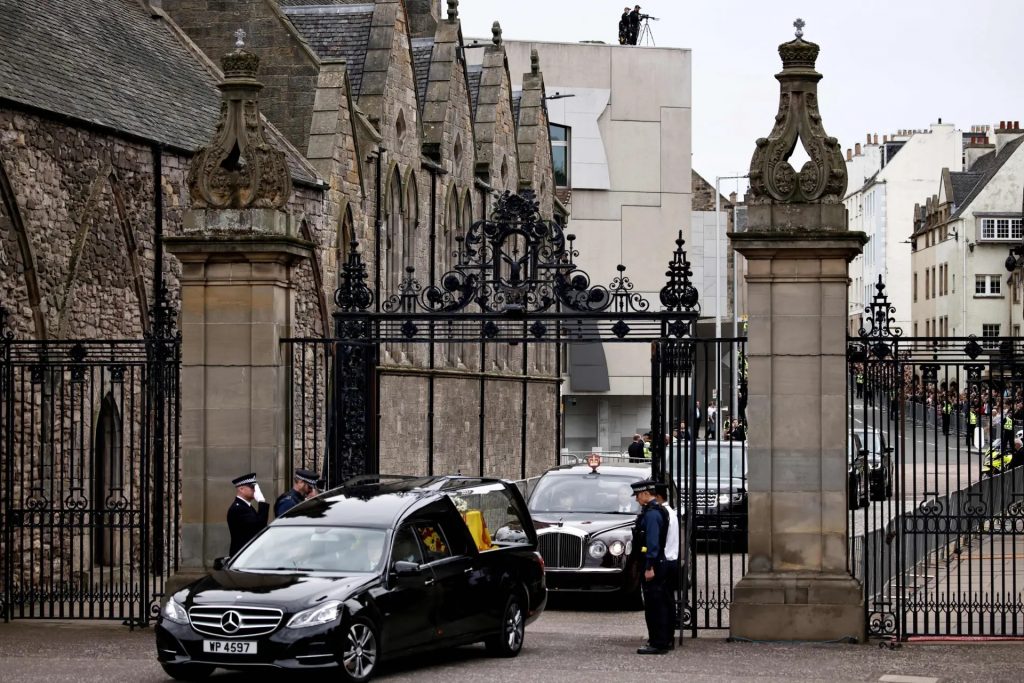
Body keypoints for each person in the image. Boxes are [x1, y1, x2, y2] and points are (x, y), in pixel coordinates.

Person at [630, 478, 671, 654]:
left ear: (646, 494)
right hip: (657, 562)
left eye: (638, 495)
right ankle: (661, 639)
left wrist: (649, 567)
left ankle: (658, 643)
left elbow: (652, 544)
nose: (636, 499)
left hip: (653, 565)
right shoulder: (654, 511)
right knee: (658, 602)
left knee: (654, 605)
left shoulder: (652, 514)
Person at [653, 482, 681, 648]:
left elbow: (657, 541)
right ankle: (668, 637)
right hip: (672, 559)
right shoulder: (670, 512)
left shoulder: (662, 513)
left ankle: (663, 638)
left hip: (665, 560)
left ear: (658, 497)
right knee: (668, 601)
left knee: (662, 603)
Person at [227, 473, 269, 556]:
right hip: (242, 555)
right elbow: (259, 526)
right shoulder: (238, 508)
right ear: (241, 489)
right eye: (252, 487)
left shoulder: (246, 506)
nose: (255, 490)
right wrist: (261, 501)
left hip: (248, 554)